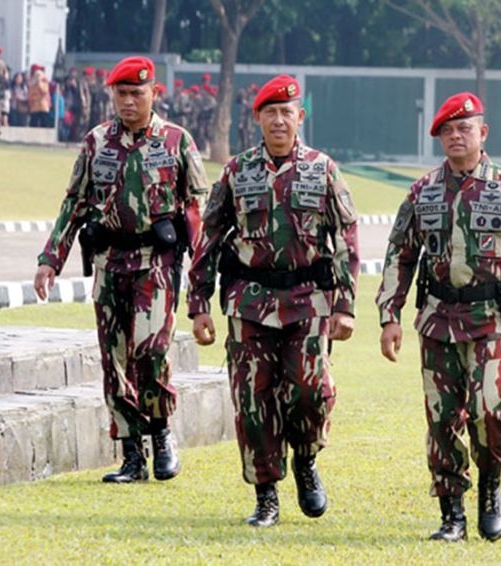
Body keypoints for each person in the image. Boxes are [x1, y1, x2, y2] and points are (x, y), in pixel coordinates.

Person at [187, 74, 359, 528]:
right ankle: (266, 495)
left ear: (300, 117)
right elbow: (208, 237)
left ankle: (305, 458)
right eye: (270, 113)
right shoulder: (236, 171)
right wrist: (199, 304)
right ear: (258, 119)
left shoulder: (323, 170)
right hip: (250, 301)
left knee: (310, 390)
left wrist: (346, 305)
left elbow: (346, 239)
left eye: (287, 112)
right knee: (251, 398)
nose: (279, 120)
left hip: (309, 300)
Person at [376, 92, 501, 542]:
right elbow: (400, 254)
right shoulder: (422, 191)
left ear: (482, 133)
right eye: (448, 131)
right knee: (442, 417)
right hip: (437, 318)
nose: (456, 136)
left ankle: (490, 489)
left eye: (464, 128)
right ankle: (451, 512)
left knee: (492, 412)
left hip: (491, 318)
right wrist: (388, 315)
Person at [34, 56, 209, 484]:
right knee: (114, 360)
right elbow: (73, 204)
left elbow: (196, 212)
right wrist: (50, 259)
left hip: (157, 265)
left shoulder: (176, 141)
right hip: (110, 264)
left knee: (150, 352)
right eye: (121, 93)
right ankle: (132, 454)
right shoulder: (96, 143)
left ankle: (162, 433)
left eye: (137, 93)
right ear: (112, 94)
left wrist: (204, 275)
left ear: (154, 93)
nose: (128, 101)